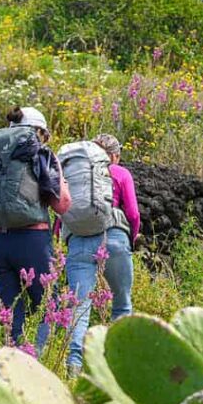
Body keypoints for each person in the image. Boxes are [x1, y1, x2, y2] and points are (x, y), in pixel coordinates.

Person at [0, 106, 70, 350]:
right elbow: (63, 205)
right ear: (39, 132)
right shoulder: (42, 153)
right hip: (31, 240)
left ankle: (11, 372)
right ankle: (41, 364)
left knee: (9, 313)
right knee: (50, 305)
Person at [64, 134, 140, 377]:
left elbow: (62, 211)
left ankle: (74, 367)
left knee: (79, 307)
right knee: (122, 302)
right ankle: (118, 368)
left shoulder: (74, 174)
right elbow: (133, 213)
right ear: (114, 155)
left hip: (77, 240)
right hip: (114, 237)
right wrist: (130, 237)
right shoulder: (119, 172)